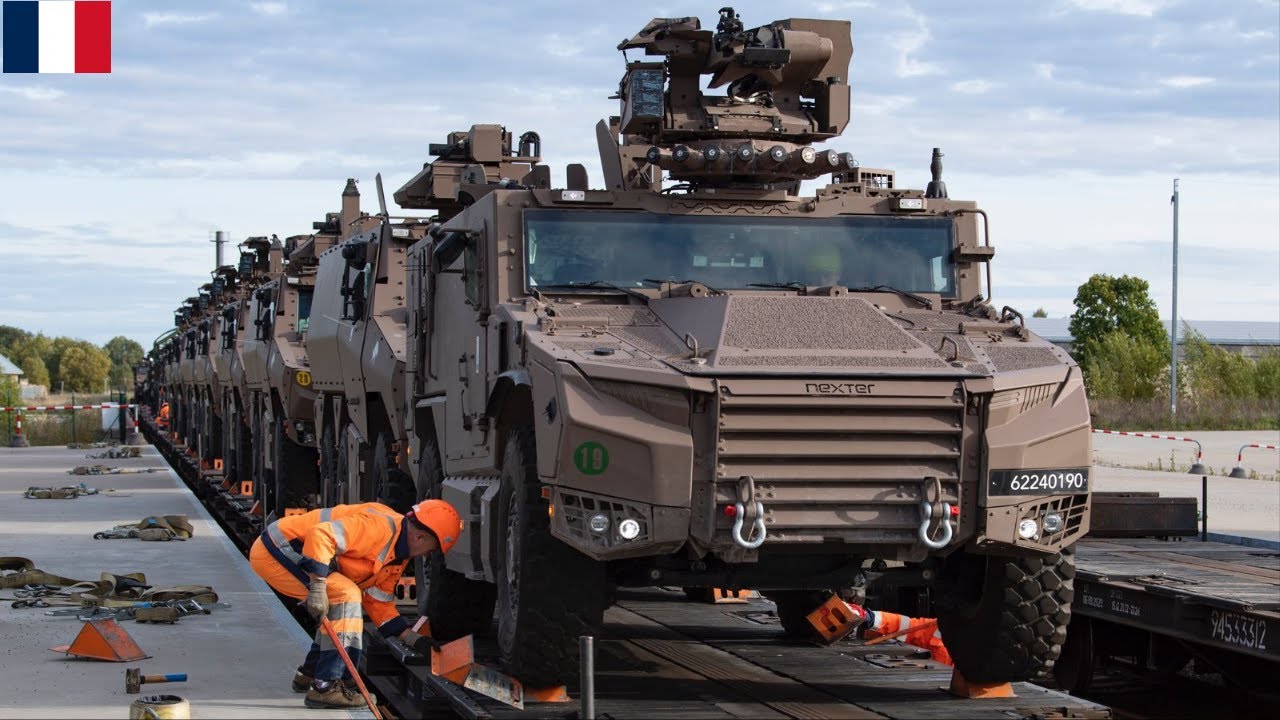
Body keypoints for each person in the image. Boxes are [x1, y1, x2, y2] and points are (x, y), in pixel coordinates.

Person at [248, 499, 463, 709]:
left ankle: (311, 673)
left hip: (292, 550)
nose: (427, 555)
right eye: (431, 549)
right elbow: (321, 534)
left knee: (343, 597)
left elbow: (378, 602)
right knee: (346, 594)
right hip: (279, 547)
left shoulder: (397, 556)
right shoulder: (380, 529)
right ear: (420, 537)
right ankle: (326, 687)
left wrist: (412, 638)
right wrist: (318, 586)